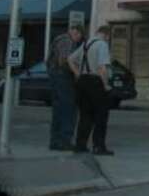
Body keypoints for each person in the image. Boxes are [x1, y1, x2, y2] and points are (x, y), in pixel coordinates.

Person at [68, 25, 114, 155]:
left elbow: (70, 59)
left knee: (85, 115)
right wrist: (105, 85)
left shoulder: (86, 44)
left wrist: (78, 74)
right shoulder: (102, 45)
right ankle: (99, 146)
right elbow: (102, 68)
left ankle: (80, 145)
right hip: (96, 82)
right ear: (106, 35)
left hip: (83, 81)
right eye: (108, 37)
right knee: (101, 116)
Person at [46, 24, 84, 151]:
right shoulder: (67, 41)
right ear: (76, 33)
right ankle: (65, 141)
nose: (78, 40)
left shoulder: (59, 39)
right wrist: (77, 72)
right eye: (79, 37)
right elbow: (65, 59)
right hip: (63, 77)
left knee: (58, 110)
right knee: (69, 109)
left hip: (55, 77)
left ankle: (55, 141)